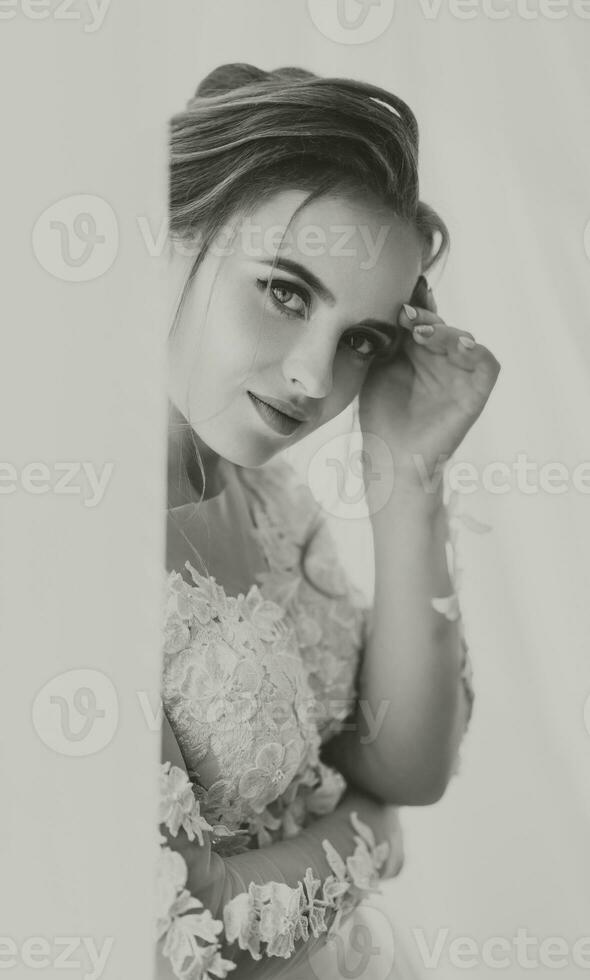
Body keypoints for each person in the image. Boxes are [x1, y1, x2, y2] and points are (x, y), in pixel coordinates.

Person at [156, 63, 500, 979]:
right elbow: (177, 921)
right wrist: (370, 839)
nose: (316, 378)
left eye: (362, 341)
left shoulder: (272, 498)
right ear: (175, 233)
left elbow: (407, 765)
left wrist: (409, 476)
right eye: (283, 291)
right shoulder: (51, 547)